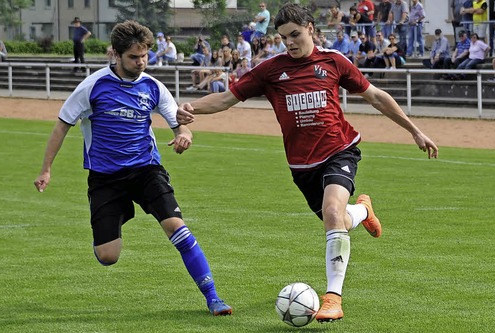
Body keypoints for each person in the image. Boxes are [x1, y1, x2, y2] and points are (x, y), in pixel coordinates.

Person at [176, 3, 438, 323]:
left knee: (331, 212)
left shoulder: (333, 61)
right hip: (302, 167)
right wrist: (192, 108)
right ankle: (363, 211)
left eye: (295, 35)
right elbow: (227, 98)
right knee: (337, 219)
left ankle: (333, 298)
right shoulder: (270, 70)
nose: (289, 42)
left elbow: (376, 96)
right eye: (284, 37)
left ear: (311, 28)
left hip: (340, 150)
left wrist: (415, 130)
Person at [33, 20, 232, 316]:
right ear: (115, 53)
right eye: (134, 57)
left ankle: (213, 297)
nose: (141, 62)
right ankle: (116, 219)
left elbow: (181, 127)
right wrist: (46, 169)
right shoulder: (92, 86)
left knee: (179, 229)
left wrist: (183, 136)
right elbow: (62, 126)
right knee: (108, 256)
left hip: (146, 170)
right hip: (105, 177)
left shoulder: (153, 87)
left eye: (144, 56)